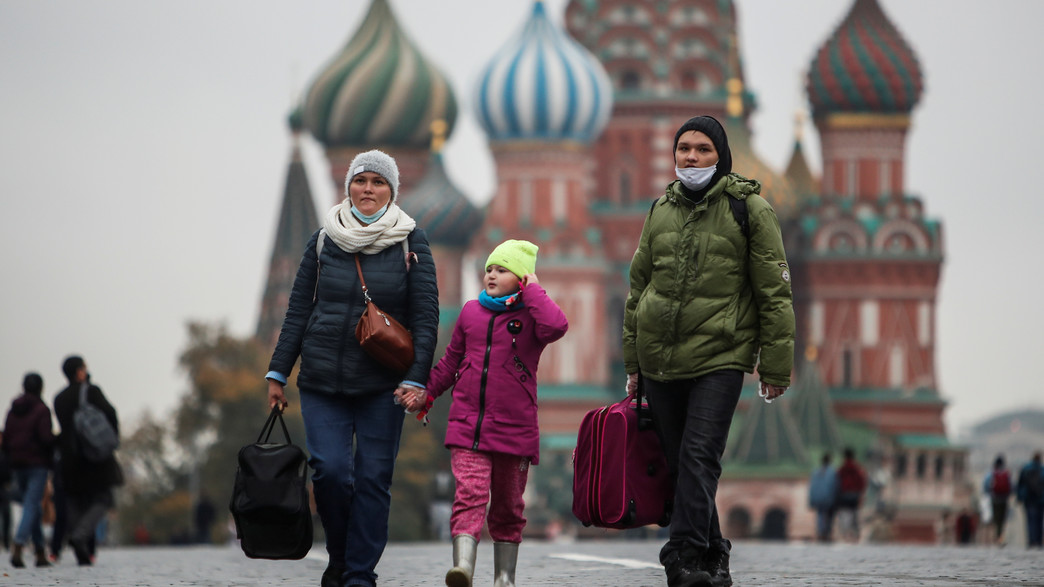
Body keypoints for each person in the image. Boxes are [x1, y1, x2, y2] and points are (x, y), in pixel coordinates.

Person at [622, 115, 795, 587]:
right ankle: (715, 554)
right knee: (681, 461)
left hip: (720, 356)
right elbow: (639, 289)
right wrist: (633, 362)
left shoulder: (750, 209)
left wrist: (775, 366)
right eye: (684, 149)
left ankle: (682, 556)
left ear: (720, 155)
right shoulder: (661, 208)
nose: (691, 157)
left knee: (700, 457)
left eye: (702, 149)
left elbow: (774, 293)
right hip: (661, 359)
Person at [266, 150, 439, 587]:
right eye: (360, 181)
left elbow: (425, 316)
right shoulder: (324, 239)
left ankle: (359, 574)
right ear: (348, 186)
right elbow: (297, 309)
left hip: (383, 384)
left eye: (377, 183)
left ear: (391, 191)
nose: (368, 189)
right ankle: (340, 557)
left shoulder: (410, 241)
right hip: (324, 380)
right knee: (330, 472)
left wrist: (417, 376)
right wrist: (277, 372)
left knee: (373, 479)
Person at [400, 239, 568, 587]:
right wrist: (426, 393)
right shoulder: (470, 312)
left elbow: (557, 326)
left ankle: (504, 577)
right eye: (489, 268)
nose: (491, 274)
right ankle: (463, 567)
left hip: (515, 429)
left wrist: (534, 290)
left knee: (508, 506)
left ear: (521, 278)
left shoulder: (532, 317)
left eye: (502, 269)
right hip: (468, 426)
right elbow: (450, 362)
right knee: (469, 495)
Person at [53, 355, 122, 566]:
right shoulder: (91, 391)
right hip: (94, 456)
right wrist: (110, 438)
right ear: (80, 371)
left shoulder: (59, 398)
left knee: (74, 500)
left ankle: (80, 545)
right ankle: (81, 536)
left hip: (69, 458)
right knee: (103, 498)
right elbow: (111, 412)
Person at [2, 373, 55, 568]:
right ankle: (19, 543)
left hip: (17, 463)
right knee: (32, 505)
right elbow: (46, 438)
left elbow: (6, 438)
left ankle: (40, 552)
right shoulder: (42, 410)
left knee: (32, 506)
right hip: (37, 463)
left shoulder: (13, 410)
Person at [836, 447, 867, 543]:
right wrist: (861, 494)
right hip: (855, 495)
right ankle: (856, 535)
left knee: (845, 515)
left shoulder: (842, 469)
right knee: (855, 516)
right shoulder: (857, 469)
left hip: (844, 495)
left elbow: (837, 483)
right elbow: (862, 482)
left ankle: (845, 534)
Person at [808, 453, 839, 543]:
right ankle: (827, 532)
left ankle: (821, 532)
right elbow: (835, 486)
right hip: (829, 498)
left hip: (818, 498)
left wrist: (812, 499)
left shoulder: (816, 471)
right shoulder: (832, 472)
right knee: (829, 516)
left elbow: (812, 487)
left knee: (820, 515)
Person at [983, 454, 1013, 546]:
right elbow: (1012, 486)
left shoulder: (991, 473)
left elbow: (986, 486)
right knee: (1002, 519)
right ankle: (1000, 537)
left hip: (994, 498)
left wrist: (990, 494)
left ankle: (996, 537)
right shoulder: (1006, 473)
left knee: (996, 519)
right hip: (1004, 499)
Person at [1017, 451, 1044, 548]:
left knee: (1030, 520)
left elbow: (1020, 484)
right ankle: (1038, 540)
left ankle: (1031, 540)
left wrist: (1019, 497)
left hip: (1028, 498)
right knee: (1039, 520)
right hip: (1040, 499)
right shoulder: (1042, 469)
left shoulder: (1026, 468)